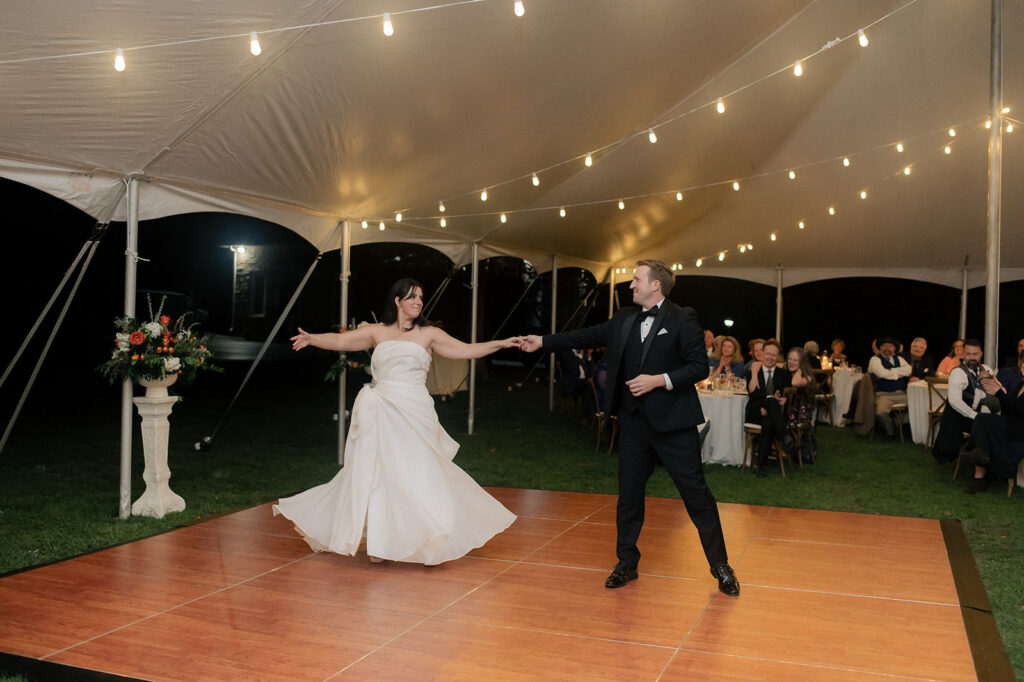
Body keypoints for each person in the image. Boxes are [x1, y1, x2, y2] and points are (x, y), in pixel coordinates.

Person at [519, 260, 739, 597]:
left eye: (637, 279)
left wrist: (658, 380)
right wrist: (543, 341)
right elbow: (585, 335)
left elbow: (697, 367)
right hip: (634, 423)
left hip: (674, 425)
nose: (632, 285)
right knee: (629, 495)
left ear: (656, 285)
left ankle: (720, 566)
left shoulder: (683, 318)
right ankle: (626, 563)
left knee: (696, 495)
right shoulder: (623, 318)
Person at [274, 278, 518, 565]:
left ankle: (425, 537)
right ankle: (381, 543)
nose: (418, 302)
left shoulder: (429, 334)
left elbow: (465, 350)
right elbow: (341, 341)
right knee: (381, 473)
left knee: (418, 472)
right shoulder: (377, 331)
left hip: (415, 411)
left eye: (421, 298)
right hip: (382, 410)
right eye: (412, 297)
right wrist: (312, 338)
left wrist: (502, 343)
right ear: (397, 301)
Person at [961, 351, 1024, 494]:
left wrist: (999, 393)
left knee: (984, 429)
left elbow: (1019, 410)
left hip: (1019, 432)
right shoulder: (1021, 384)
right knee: (982, 419)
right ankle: (979, 458)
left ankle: (978, 474)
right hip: (1011, 423)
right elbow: (1009, 410)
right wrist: (1000, 391)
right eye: (1023, 363)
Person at [933, 339, 996, 463]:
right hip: (963, 418)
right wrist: (976, 416)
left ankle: (991, 459)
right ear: (962, 354)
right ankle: (982, 459)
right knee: (989, 427)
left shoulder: (987, 369)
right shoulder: (957, 373)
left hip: (984, 413)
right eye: (968, 354)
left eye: (975, 354)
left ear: (981, 354)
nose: (972, 358)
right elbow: (955, 402)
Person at [746, 340, 796, 477]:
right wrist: (766, 403)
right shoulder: (752, 373)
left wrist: (784, 400)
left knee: (768, 422)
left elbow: (785, 395)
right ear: (762, 354)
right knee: (770, 401)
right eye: (768, 354)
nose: (770, 357)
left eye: (774, 355)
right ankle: (785, 437)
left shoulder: (784, 374)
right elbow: (753, 395)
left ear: (777, 356)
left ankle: (761, 466)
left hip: (775, 413)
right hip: (756, 411)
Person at [867, 336, 911, 437]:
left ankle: (897, 423)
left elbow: (909, 370)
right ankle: (890, 429)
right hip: (883, 395)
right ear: (880, 348)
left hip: (902, 394)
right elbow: (882, 373)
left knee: (919, 405)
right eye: (884, 346)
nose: (887, 348)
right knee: (880, 413)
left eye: (890, 346)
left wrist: (891, 371)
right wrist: (899, 375)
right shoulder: (875, 359)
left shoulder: (899, 359)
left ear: (894, 348)